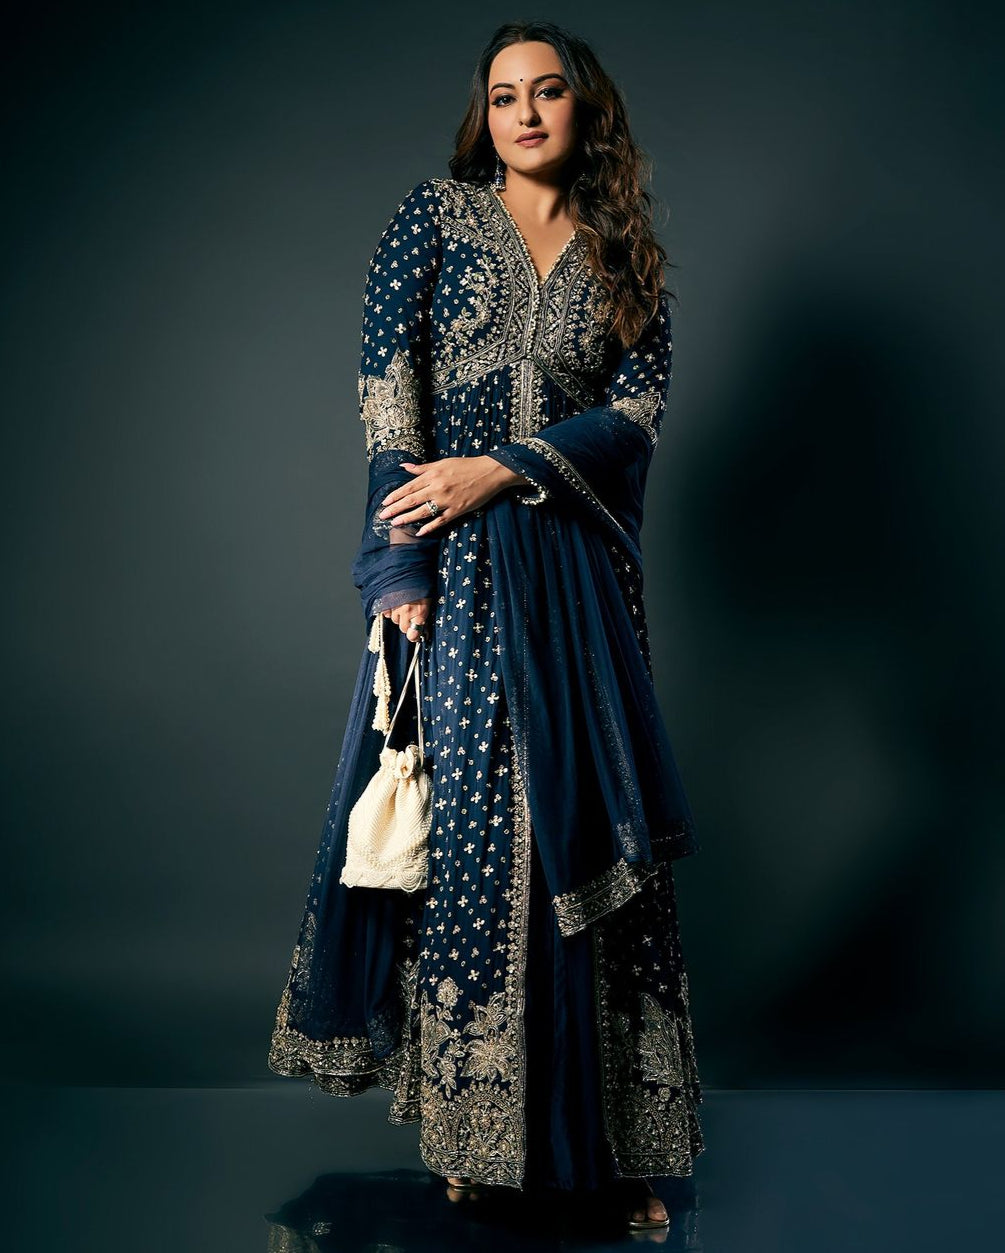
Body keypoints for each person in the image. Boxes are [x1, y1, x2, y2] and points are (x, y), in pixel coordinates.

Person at [268, 19, 705, 1232]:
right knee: (478, 837)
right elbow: (388, 398)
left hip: (580, 584)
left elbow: (634, 419)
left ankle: (617, 1152)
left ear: (583, 107)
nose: (525, 112)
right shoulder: (433, 219)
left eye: (548, 91)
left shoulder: (624, 257)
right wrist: (395, 567)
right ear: (485, 114)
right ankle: (475, 1136)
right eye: (505, 95)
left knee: (592, 833)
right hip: (458, 578)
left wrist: (503, 467)